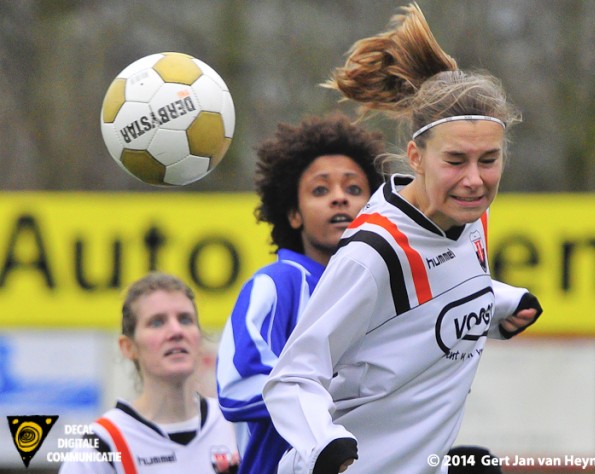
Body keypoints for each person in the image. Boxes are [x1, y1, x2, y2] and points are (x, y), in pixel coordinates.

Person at [263, 4, 543, 474]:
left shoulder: (470, 217)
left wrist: (503, 304)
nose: (474, 180)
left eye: (489, 160)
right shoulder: (374, 254)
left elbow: (438, 297)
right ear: (415, 156)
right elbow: (292, 376)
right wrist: (327, 448)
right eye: (456, 161)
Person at [215, 112, 385, 474]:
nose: (340, 198)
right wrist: (335, 405)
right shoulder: (277, 285)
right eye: (320, 189)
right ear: (294, 214)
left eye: (354, 189)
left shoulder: (390, 290)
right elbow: (238, 384)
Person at [59, 272, 240, 474]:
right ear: (128, 347)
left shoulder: (235, 423)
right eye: (157, 322)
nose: (176, 331)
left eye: (185, 319)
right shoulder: (101, 445)